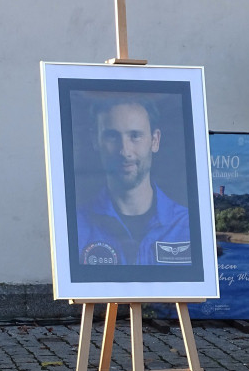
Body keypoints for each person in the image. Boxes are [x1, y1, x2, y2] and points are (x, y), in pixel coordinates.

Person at [74, 94, 191, 266]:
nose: (125, 151)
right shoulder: (76, 226)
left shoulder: (188, 225)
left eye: (135, 135)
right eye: (112, 136)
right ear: (95, 141)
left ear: (155, 140)